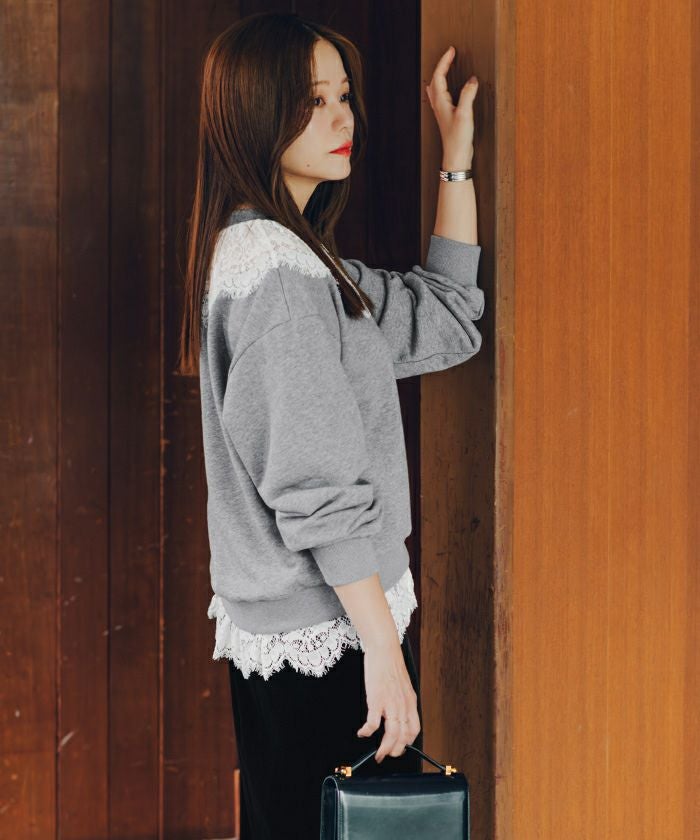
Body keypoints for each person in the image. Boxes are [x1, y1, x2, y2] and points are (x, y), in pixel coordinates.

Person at [177, 11, 482, 839]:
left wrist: (456, 161)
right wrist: (383, 653)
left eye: (343, 96)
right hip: (333, 639)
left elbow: (445, 318)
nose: (342, 117)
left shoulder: (292, 260)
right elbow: (317, 489)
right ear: (258, 113)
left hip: (316, 635)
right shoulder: (278, 278)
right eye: (313, 101)